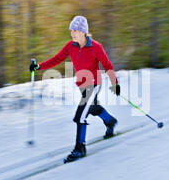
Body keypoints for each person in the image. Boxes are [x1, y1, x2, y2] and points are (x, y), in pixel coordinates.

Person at [29, 16, 120, 163]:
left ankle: (80, 148)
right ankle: (110, 121)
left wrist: (115, 83)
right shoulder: (70, 46)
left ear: (83, 32)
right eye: (71, 30)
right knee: (93, 108)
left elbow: (107, 65)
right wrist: (39, 66)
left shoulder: (96, 47)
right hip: (82, 85)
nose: (72, 33)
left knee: (80, 116)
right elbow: (56, 59)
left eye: (76, 30)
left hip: (94, 84)